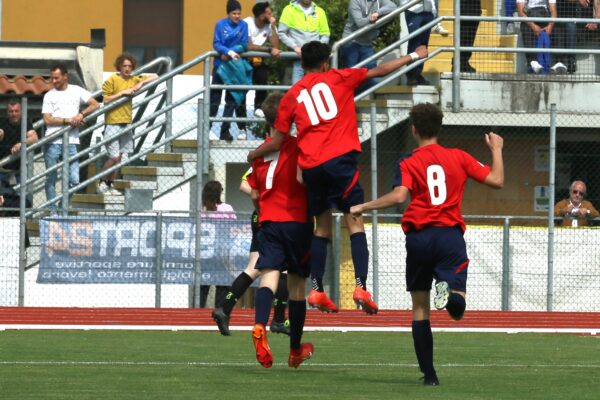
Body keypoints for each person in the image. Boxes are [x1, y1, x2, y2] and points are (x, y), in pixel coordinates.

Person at [247, 41, 429, 315]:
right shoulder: (339, 77)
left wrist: (254, 154)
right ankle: (361, 286)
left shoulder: (292, 95)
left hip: (311, 166)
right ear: (325, 63)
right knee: (354, 220)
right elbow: (379, 70)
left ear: (302, 64)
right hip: (339, 160)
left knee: (321, 226)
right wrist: (414, 55)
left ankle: (318, 289)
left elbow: (278, 141)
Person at [350, 103, 504, 385]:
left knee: (420, 307)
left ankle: (429, 375)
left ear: (414, 129)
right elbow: (496, 180)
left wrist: (363, 205)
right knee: (457, 307)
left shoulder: (408, 161)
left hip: (419, 238)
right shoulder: (458, 156)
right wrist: (496, 149)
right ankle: (452, 294)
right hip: (449, 236)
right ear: (439, 128)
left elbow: (399, 197)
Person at [246, 92, 314, 369]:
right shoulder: (299, 146)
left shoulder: (260, 152)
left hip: (269, 219)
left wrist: (265, 210)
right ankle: (295, 349)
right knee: (297, 286)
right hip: (297, 219)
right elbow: (305, 178)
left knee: (268, 277)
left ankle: (260, 324)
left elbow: (253, 193)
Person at [211, 166, 290, 336]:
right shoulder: (273, 158)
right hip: (271, 216)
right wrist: (268, 199)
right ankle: (277, 319)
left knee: (254, 267)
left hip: (262, 216)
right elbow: (244, 185)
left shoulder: (268, 157)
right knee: (284, 268)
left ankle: (225, 309)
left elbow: (245, 184)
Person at [98, 53, 158, 194]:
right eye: (124, 66)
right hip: (113, 122)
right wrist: (123, 93)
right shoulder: (111, 80)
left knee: (121, 158)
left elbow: (156, 76)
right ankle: (101, 181)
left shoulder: (133, 79)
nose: (127, 69)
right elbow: (105, 100)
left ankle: (109, 184)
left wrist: (141, 83)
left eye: (130, 66)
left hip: (127, 123)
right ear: (119, 66)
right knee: (114, 157)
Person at [42, 64, 99, 207]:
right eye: (52, 78)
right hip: (52, 141)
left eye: (57, 78)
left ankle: (62, 207)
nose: (54, 81)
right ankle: (52, 210)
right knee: (51, 178)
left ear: (65, 76)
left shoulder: (76, 90)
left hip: (72, 141)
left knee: (74, 179)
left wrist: (81, 114)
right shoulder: (49, 95)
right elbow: (47, 119)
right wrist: (68, 121)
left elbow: (95, 104)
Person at [210, 0, 251, 142]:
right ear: (228, 14)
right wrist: (227, 51)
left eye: (239, 13)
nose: (237, 16)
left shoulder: (244, 25)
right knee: (214, 99)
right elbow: (216, 43)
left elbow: (244, 44)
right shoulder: (220, 24)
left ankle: (224, 131)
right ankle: (206, 129)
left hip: (235, 67)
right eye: (234, 13)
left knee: (231, 100)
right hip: (221, 66)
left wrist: (232, 52)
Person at [341, 0, 397, 93]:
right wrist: (371, 19)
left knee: (373, 75)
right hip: (351, 42)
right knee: (350, 77)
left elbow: (393, 6)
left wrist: (377, 13)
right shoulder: (355, 2)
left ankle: (360, 98)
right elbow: (360, 23)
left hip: (366, 43)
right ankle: (352, 100)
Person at [200, 180, 237, 308]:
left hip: (205, 253)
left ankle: (198, 311)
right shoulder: (227, 208)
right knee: (223, 285)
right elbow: (234, 230)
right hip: (222, 252)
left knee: (202, 286)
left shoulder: (202, 210)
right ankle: (219, 312)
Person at [244, 2, 281, 118]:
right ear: (261, 16)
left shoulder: (269, 25)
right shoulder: (247, 23)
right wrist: (268, 49)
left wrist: (274, 27)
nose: (272, 15)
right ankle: (241, 126)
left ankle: (258, 107)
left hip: (259, 60)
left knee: (262, 78)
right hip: (244, 60)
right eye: (269, 13)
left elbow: (276, 46)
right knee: (242, 90)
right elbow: (248, 46)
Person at [278, 0, 330, 84]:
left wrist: (317, 50)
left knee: (315, 88)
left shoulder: (320, 11)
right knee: (297, 88)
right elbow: (281, 33)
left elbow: (325, 34)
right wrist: (294, 47)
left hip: (316, 61)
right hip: (298, 59)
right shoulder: (288, 10)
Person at [517, 0, 568, 74]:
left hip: (544, 15)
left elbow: (553, 12)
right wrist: (533, 26)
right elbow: (521, 13)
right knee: (525, 27)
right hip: (529, 16)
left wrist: (550, 26)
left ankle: (558, 63)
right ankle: (533, 62)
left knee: (558, 26)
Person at [0, 98, 39, 185]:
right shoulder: (2, 122)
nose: (14, 114)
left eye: (16, 111)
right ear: (7, 112)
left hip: (19, 172)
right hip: (2, 171)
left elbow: (34, 138)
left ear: (21, 112)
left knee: (20, 197)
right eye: (11, 111)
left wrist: (22, 144)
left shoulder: (25, 123)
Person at [401, 0, 435, 86]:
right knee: (414, 41)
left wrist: (434, 10)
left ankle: (417, 73)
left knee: (423, 44)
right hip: (412, 10)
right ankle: (411, 74)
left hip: (428, 11)